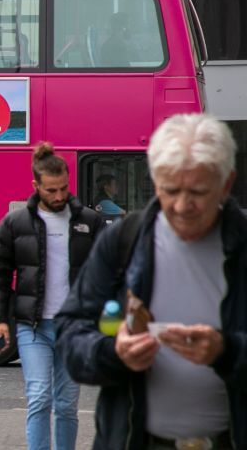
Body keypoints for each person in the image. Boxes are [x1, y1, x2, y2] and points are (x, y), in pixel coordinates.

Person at [56, 113, 247, 450]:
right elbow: (70, 337)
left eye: (198, 192)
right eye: (171, 190)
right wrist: (114, 352)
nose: (182, 205)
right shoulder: (121, 242)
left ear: (226, 183)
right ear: (156, 182)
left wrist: (227, 351)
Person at [0, 142, 103, 450]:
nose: (60, 196)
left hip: (73, 327)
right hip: (32, 327)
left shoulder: (90, 222)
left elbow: (108, 272)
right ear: (36, 186)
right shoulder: (14, 223)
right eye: (51, 190)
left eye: (64, 188)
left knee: (66, 404)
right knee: (38, 397)